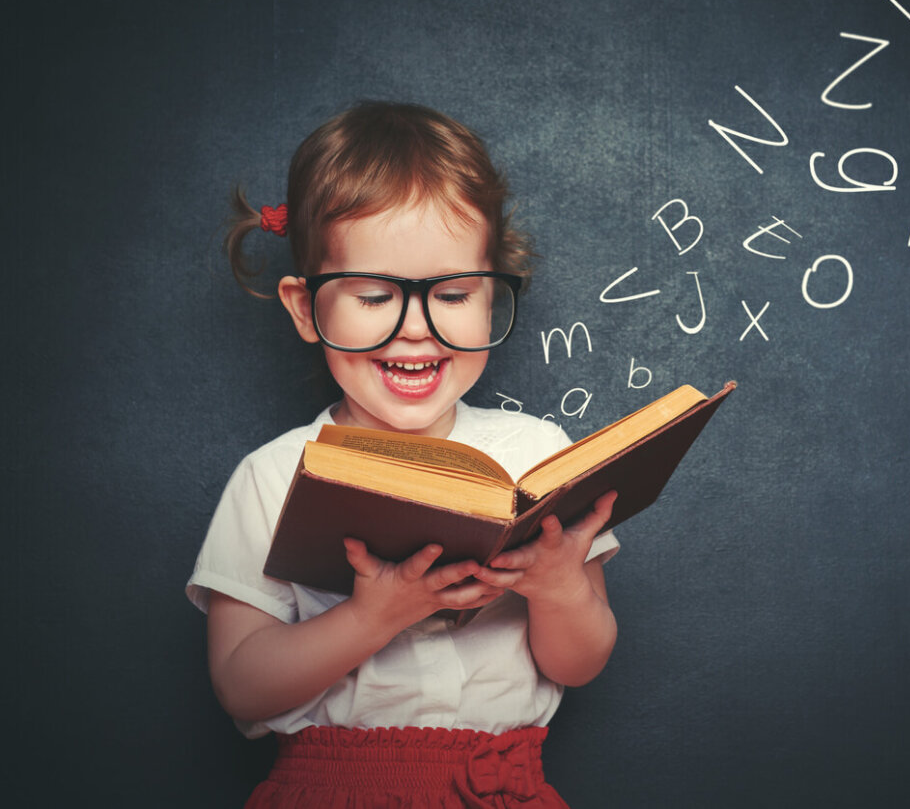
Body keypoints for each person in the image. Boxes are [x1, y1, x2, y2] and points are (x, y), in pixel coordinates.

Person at [186, 101, 619, 808]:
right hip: (334, 791)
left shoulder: (538, 453)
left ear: (488, 296)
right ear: (305, 308)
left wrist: (561, 587)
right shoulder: (270, 476)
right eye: (374, 294)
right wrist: (374, 616)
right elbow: (241, 684)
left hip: (504, 788)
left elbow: (578, 665)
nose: (416, 329)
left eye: (451, 293)